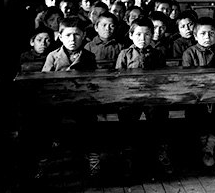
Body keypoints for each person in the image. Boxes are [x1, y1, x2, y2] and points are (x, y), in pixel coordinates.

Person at [38, 17, 100, 178]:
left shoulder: (89, 56)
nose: (72, 39)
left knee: (90, 124)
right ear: (60, 36)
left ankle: (93, 160)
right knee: (45, 125)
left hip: (81, 102)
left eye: (77, 35)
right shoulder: (53, 56)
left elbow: (94, 82)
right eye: (68, 35)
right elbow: (44, 82)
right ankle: (42, 163)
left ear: (84, 35)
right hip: (57, 102)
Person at [115, 18, 171, 175]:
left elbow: (163, 77)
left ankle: (160, 153)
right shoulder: (125, 54)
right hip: (131, 97)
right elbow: (118, 79)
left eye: (147, 34)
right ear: (131, 35)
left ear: (152, 36)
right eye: (138, 34)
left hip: (153, 96)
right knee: (127, 121)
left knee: (159, 117)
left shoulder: (158, 54)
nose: (142, 38)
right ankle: (128, 154)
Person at [182, 18, 215, 167]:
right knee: (197, 115)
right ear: (195, 36)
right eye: (202, 34)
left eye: (211, 33)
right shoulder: (189, 53)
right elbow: (188, 78)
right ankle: (205, 150)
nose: (207, 37)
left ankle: (210, 148)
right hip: (195, 96)